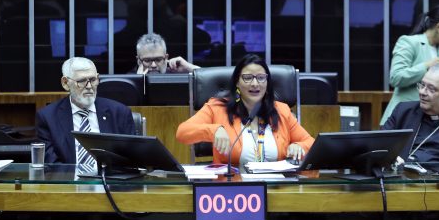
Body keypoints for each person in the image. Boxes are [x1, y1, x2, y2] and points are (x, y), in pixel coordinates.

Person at [176, 54, 314, 167]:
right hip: (232, 189)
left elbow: (310, 141)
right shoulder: (218, 108)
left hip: (276, 187)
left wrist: (299, 145)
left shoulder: (281, 110)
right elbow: (182, 132)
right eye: (247, 78)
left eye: (261, 78)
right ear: (237, 82)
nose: (255, 84)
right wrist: (214, 130)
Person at [36, 57, 135, 165]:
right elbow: (51, 165)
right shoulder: (48, 117)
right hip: (68, 180)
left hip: (110, 179)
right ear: (65, 83)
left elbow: (131, 158)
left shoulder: (120, 113)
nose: (89, 86)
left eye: (93, 80)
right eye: (82, 81)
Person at [380, 3, 439, 125]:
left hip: (426, 121)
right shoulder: (408, 42)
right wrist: (426, 66)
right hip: (401, 118)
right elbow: (395, 78)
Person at [133, 32, 199, 74]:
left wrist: (190, 68)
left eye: (158, 60)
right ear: (139, 61)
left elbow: (208, 82)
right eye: (147, 60)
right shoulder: (128, 81)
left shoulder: (177, 77)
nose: (153, 65)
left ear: (166, 58)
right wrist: (140, 81)